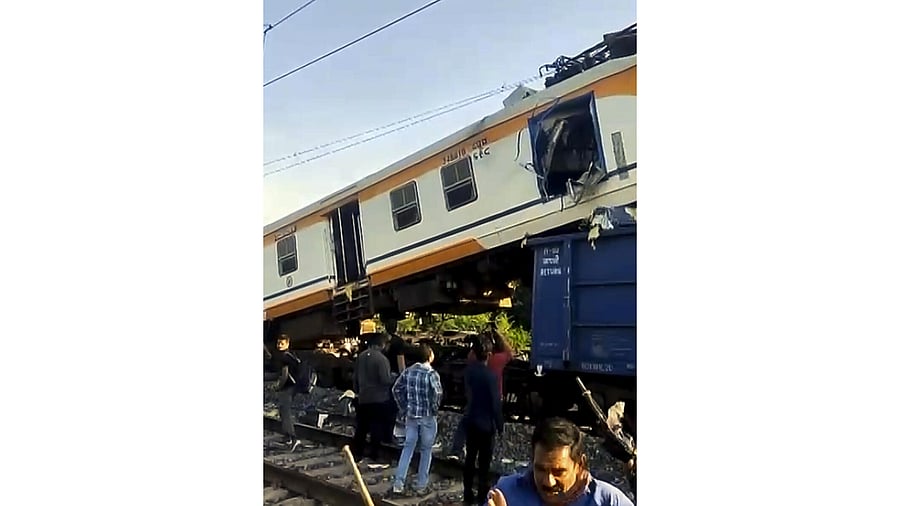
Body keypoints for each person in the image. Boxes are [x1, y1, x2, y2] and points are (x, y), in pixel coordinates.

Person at [485, 417, 635, 506]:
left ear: (580, 465)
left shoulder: (609, 501)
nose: (548, 482)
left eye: (559, 472)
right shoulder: (506, 493)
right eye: (540, 469)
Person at [449, 321, 514, 460]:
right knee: (488, 429)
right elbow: (509, 352)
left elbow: (473, 352)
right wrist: (497, 335)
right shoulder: (499, 359)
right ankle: (486, 457)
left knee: (466, 422)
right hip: (494, 396)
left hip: (475, 397)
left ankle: (457, 449)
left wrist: (481, 339)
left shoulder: (473, 358)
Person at [391, 343, 443, 494]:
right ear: (429, 356)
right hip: (427, 417)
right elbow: (438, 394)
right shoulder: (431, 374)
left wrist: (404, 406)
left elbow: (396, 389)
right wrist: (433, 408)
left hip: (411, 416)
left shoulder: (409, 371)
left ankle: (398, 483)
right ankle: (421, 484)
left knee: (408, 448)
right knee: (426, 450)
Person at [461, 335, 504, 505]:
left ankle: (467, 494)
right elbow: (495, 403)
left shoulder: (469, 371)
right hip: (486, 425)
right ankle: (481, 497)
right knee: (484, 464)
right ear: (489, 354)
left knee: (470, 459)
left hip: (471, 419)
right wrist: (500, 425)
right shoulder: (490, 376)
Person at [350, 333, 395, 469]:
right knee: (377, 427)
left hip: (363, 397)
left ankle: (357, 453)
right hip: (379, 398)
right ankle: (375, 454)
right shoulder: (382, 359)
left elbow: (355, 378)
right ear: (381, 345)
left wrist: (358, 391)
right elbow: (385, 380)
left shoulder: (361, 357)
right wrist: (395, 378)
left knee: (362, 427)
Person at [271, 334, 303, 452]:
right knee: (284, 411)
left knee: (285, 412)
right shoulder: (291, 355)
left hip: (287, 387)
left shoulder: (284, 357)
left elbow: (284, 375)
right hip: (292, 386)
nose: (279, 345)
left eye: (282, 343)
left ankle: (293, 438)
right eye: (278, 343)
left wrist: (278, 386)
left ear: (287, 343)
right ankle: (288, 437)